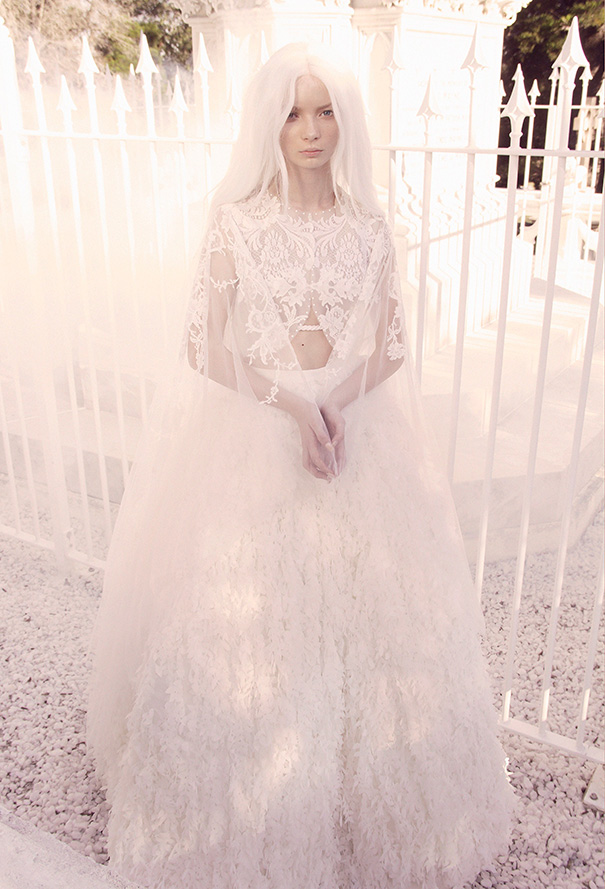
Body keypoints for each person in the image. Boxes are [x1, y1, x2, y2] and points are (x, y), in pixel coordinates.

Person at [87, 42, 515, 889]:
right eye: (293, 113)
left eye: (323, 112)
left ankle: (368, 806)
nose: (310, 129)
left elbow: (390, 345)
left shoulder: (369, 226)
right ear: (270, 125)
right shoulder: (238, 221)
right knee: (251, 627)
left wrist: (338, 404)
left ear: (343, 123)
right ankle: (254, 808)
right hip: (257, 428)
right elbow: (202, 344)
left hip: (356, 432)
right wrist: (290, 403)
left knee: (373, 622)